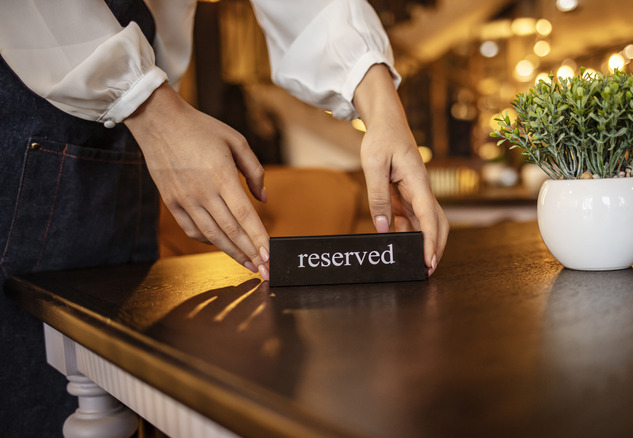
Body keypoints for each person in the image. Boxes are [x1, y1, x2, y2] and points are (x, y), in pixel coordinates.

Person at [0, 0, 448, 435]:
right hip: (27, 122)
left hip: (123, 135)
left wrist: (385, 111)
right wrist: (151, 110)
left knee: (117, 388)